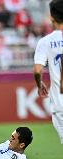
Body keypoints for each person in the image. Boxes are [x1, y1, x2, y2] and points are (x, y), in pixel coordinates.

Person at [33, 0, 63, 144]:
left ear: (51, 17)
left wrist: (39, 85)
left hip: (60, 103)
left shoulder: (45, 42)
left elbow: (38, 70)